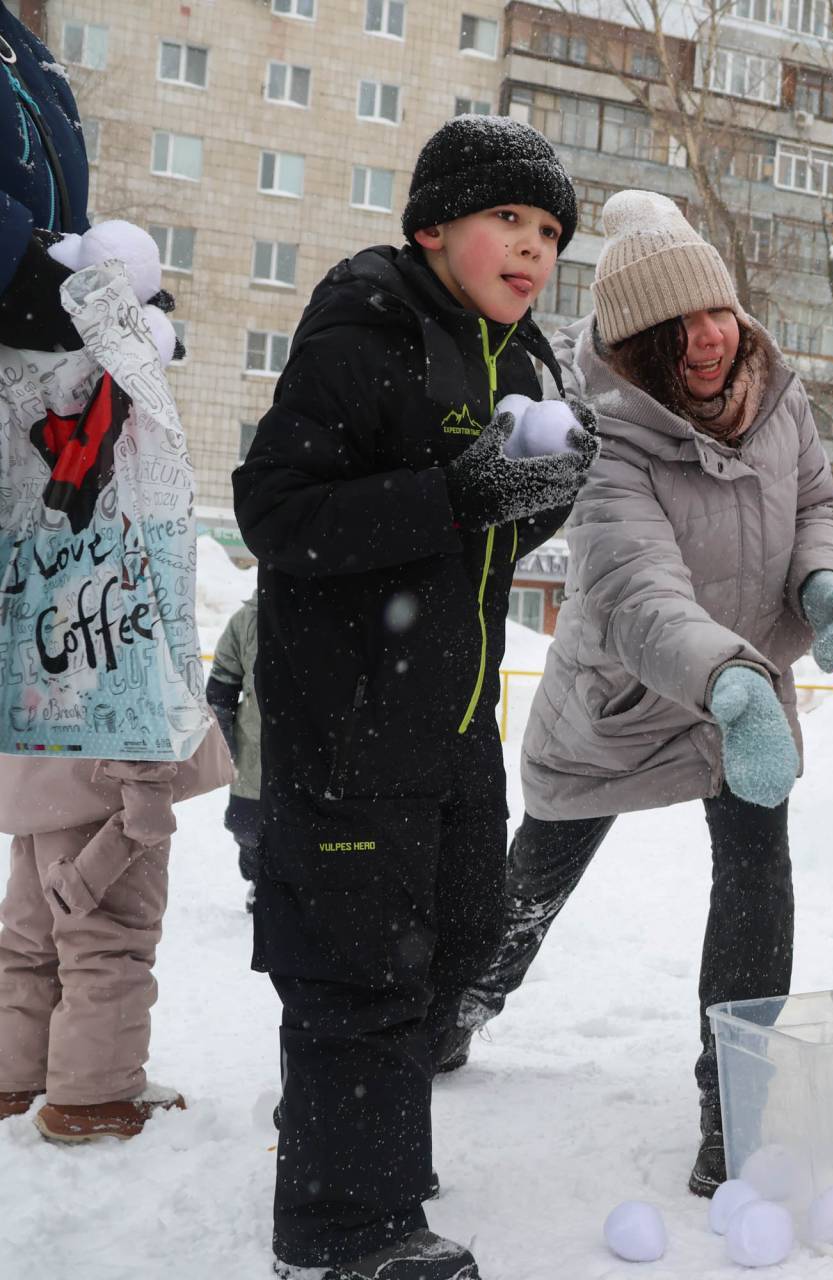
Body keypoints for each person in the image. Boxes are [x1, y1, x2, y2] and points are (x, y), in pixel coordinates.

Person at [438, 191, 833, 1198]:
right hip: (627, 690)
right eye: (681, 328)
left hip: (744, 687)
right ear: (636, 345)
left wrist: (824, 577)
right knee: (538, 871)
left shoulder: (776, 388)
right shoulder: (601, 435)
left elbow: (815, 500)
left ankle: (737, 1109)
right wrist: (727, 677)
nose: (711, 337)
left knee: (759, 870)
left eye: (719, 312)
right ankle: (451, 1009)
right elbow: (639, 590)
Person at [232, 116, 595, 1280]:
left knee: (456, 936)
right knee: (361, 967)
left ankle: (353, 1136)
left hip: (453, 725)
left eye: (549, 232)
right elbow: (278, 514)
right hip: (348, 721)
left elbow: (487, 528)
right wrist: (457, 492)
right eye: (509, 220)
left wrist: (542, 491)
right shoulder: (367, 322)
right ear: (434, 223)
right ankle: (344, 1229)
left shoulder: (522, 356)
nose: (533, 250)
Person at [0, 0, 234, 1145]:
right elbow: (136, 645)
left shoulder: (46, 493)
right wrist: (149, 792)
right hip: (109, 752)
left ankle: (12, 1071)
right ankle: (90, 1091)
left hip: (40, 746)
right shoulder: (120, 503)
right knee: (106, 934)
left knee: (28, 922)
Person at [206, 590, 263, 909]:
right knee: (248, 823)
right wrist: (223, 741)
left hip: (311, 754)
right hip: (254, 750)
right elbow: (221, 686)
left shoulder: (324, 610)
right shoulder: (246, 620)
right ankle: (259, 882)